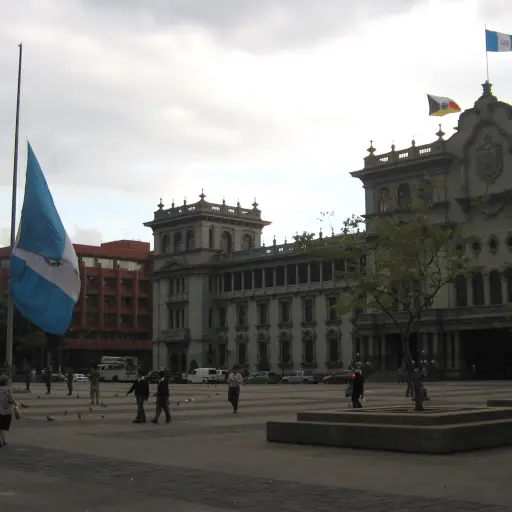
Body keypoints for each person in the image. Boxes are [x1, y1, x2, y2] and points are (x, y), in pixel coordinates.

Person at [0, 374, 16, 447]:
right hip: (7, 412)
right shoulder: (8, 390)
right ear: (6, 382)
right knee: (4, 427)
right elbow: (11, 400)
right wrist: (16, 404)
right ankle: (2, 440)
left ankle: (2, 440)